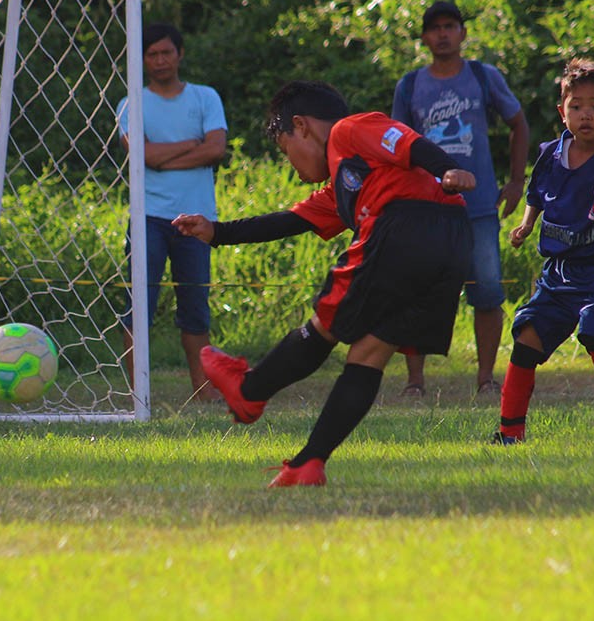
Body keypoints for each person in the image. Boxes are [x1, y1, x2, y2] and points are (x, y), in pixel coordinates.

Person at [174, 80, 475, 487]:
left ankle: (250, 390)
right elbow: (290, 220)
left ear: (301, 126)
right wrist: (217, 232)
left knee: (326, 323)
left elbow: (406, 142)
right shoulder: (344, 184)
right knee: (369, 353)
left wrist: (447, 169)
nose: (293, 167)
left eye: (285, 151)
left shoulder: (348, 131)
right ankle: (308, 463)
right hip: (451, 241)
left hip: (404, 224)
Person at [492, 58, 594, 445]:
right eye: (576, 106)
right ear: (563, 112)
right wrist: (527, 224)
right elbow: (536, 193)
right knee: (526, 339)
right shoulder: (550, 153)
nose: (586, 115)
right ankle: (509, 433)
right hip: (558, 272)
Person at [391, 0, 531, 397]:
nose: (442, 34)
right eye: (434, 28)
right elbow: (397, 145)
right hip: (426, 207)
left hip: (480, 205)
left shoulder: (482, 76)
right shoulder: (411, 85)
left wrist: (517, 181)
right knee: (417, 290)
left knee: (487, 291)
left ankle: (486, 379)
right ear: (423, 37)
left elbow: (518, 123)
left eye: (450, 26)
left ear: (463, 33)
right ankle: (414, 382)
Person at [115, 23, 228, 401]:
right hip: (148, 218)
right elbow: (143, 156)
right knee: (139, 307)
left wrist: (163, 156)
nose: (160, 60)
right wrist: (188, 145)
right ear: (142, 59)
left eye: (166, 52)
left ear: (180, 54)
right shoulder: (131, 103)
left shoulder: (205, 97)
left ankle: (203, 390)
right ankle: (139, 394)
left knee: (195, 308)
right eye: (152, 54)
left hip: (197, 220)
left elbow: (215, 149)